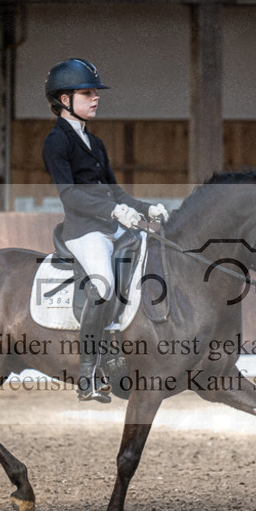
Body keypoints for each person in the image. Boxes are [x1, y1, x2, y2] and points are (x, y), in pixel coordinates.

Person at [42, 58, 169, 402]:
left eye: (95, 93)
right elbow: (69, 195)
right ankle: (88, 376)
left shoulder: (95, 144)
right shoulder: (56, 143)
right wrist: (114, 211)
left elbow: (117, 193)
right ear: (65, 100)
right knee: (103, 283)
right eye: (87, 93)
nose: (95, 98)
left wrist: (146, 208)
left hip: (110, 226)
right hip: (84, 231)